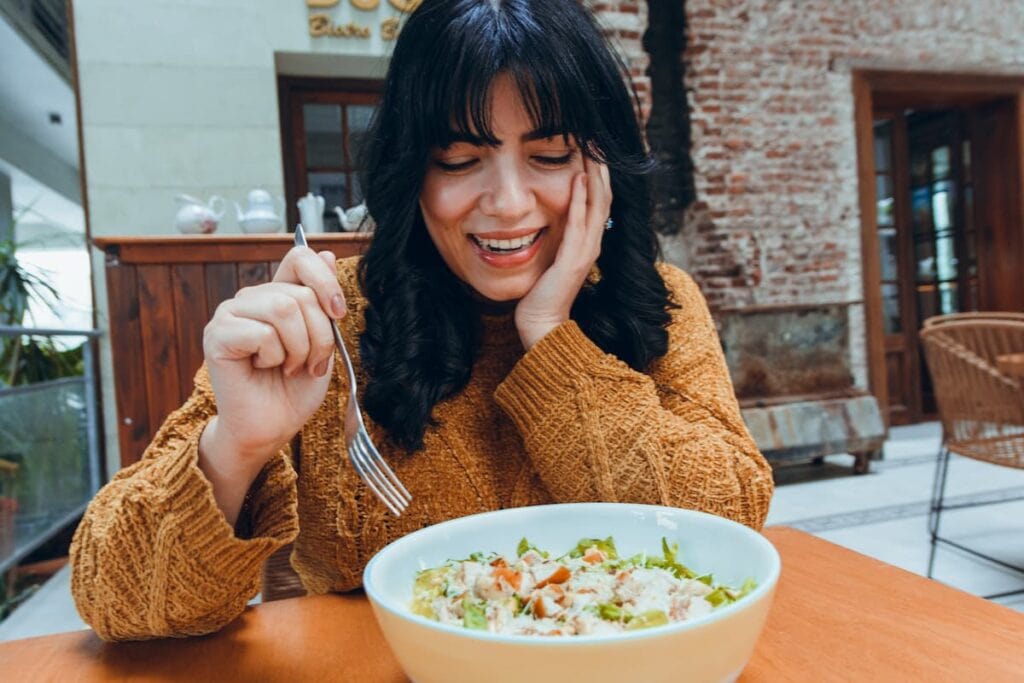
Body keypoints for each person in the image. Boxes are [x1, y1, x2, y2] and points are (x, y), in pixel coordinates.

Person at [70, 0, 773, 642]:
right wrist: (235, 446)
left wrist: (552, 331)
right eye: (460, 159)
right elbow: (113, 596)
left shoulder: (661, 301)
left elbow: (731, 516)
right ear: (413, 171)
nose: (507, 202)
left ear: (601, 166)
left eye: (549, 156)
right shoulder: (330, 321)